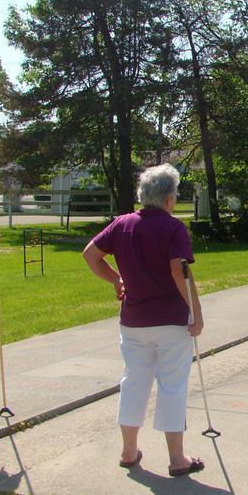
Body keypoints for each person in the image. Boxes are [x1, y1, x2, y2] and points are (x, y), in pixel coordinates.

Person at [83, 163, 206, 477]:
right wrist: (196, 312)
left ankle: (128, 450)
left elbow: (90, 255)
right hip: (170, 320)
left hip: (134, 320)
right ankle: (177, 459)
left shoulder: (122, 224)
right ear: (167, 199)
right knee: (172, 385)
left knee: (134, 381)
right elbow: (179, 272)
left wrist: (116, 279)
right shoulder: (173, 227)